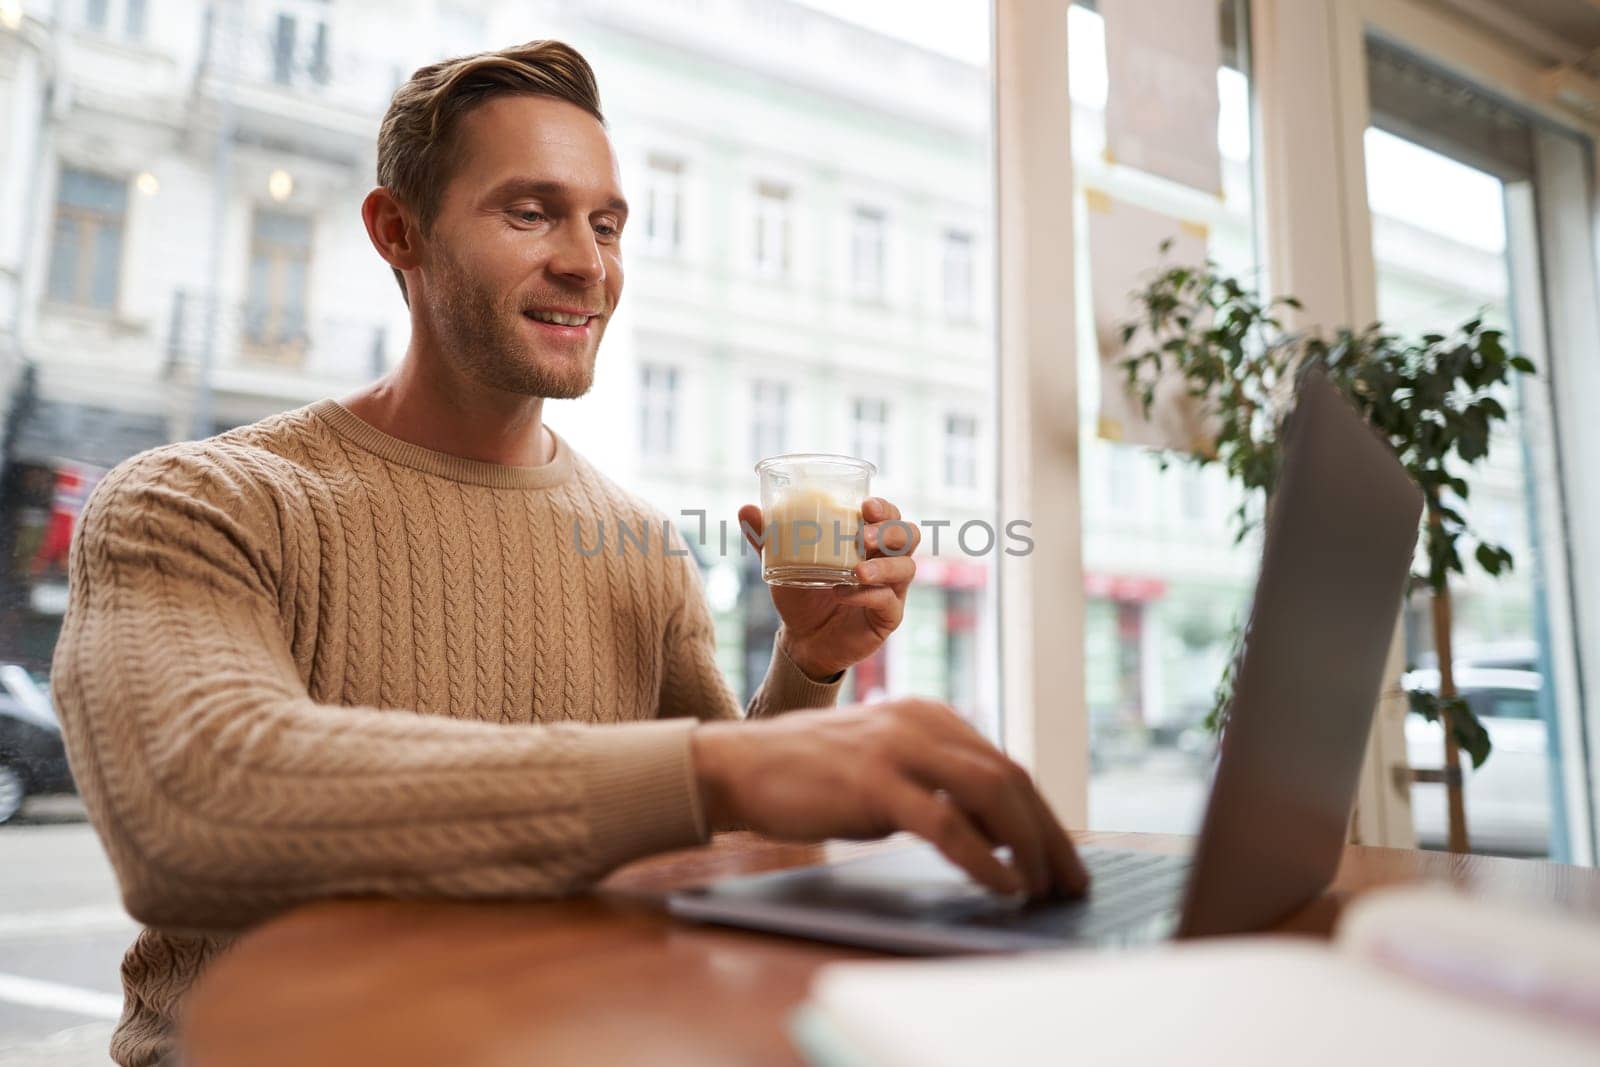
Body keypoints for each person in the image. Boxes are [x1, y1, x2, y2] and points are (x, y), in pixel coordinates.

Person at [51, 39, 1086, 1067]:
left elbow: (715, 839)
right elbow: (192, 804)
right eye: (530, 211)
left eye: (606, 223)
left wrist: (806, 664)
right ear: (396, 231)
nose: (588, 263)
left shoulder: (637, 543)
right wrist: (725, 766)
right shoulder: (191, 499)